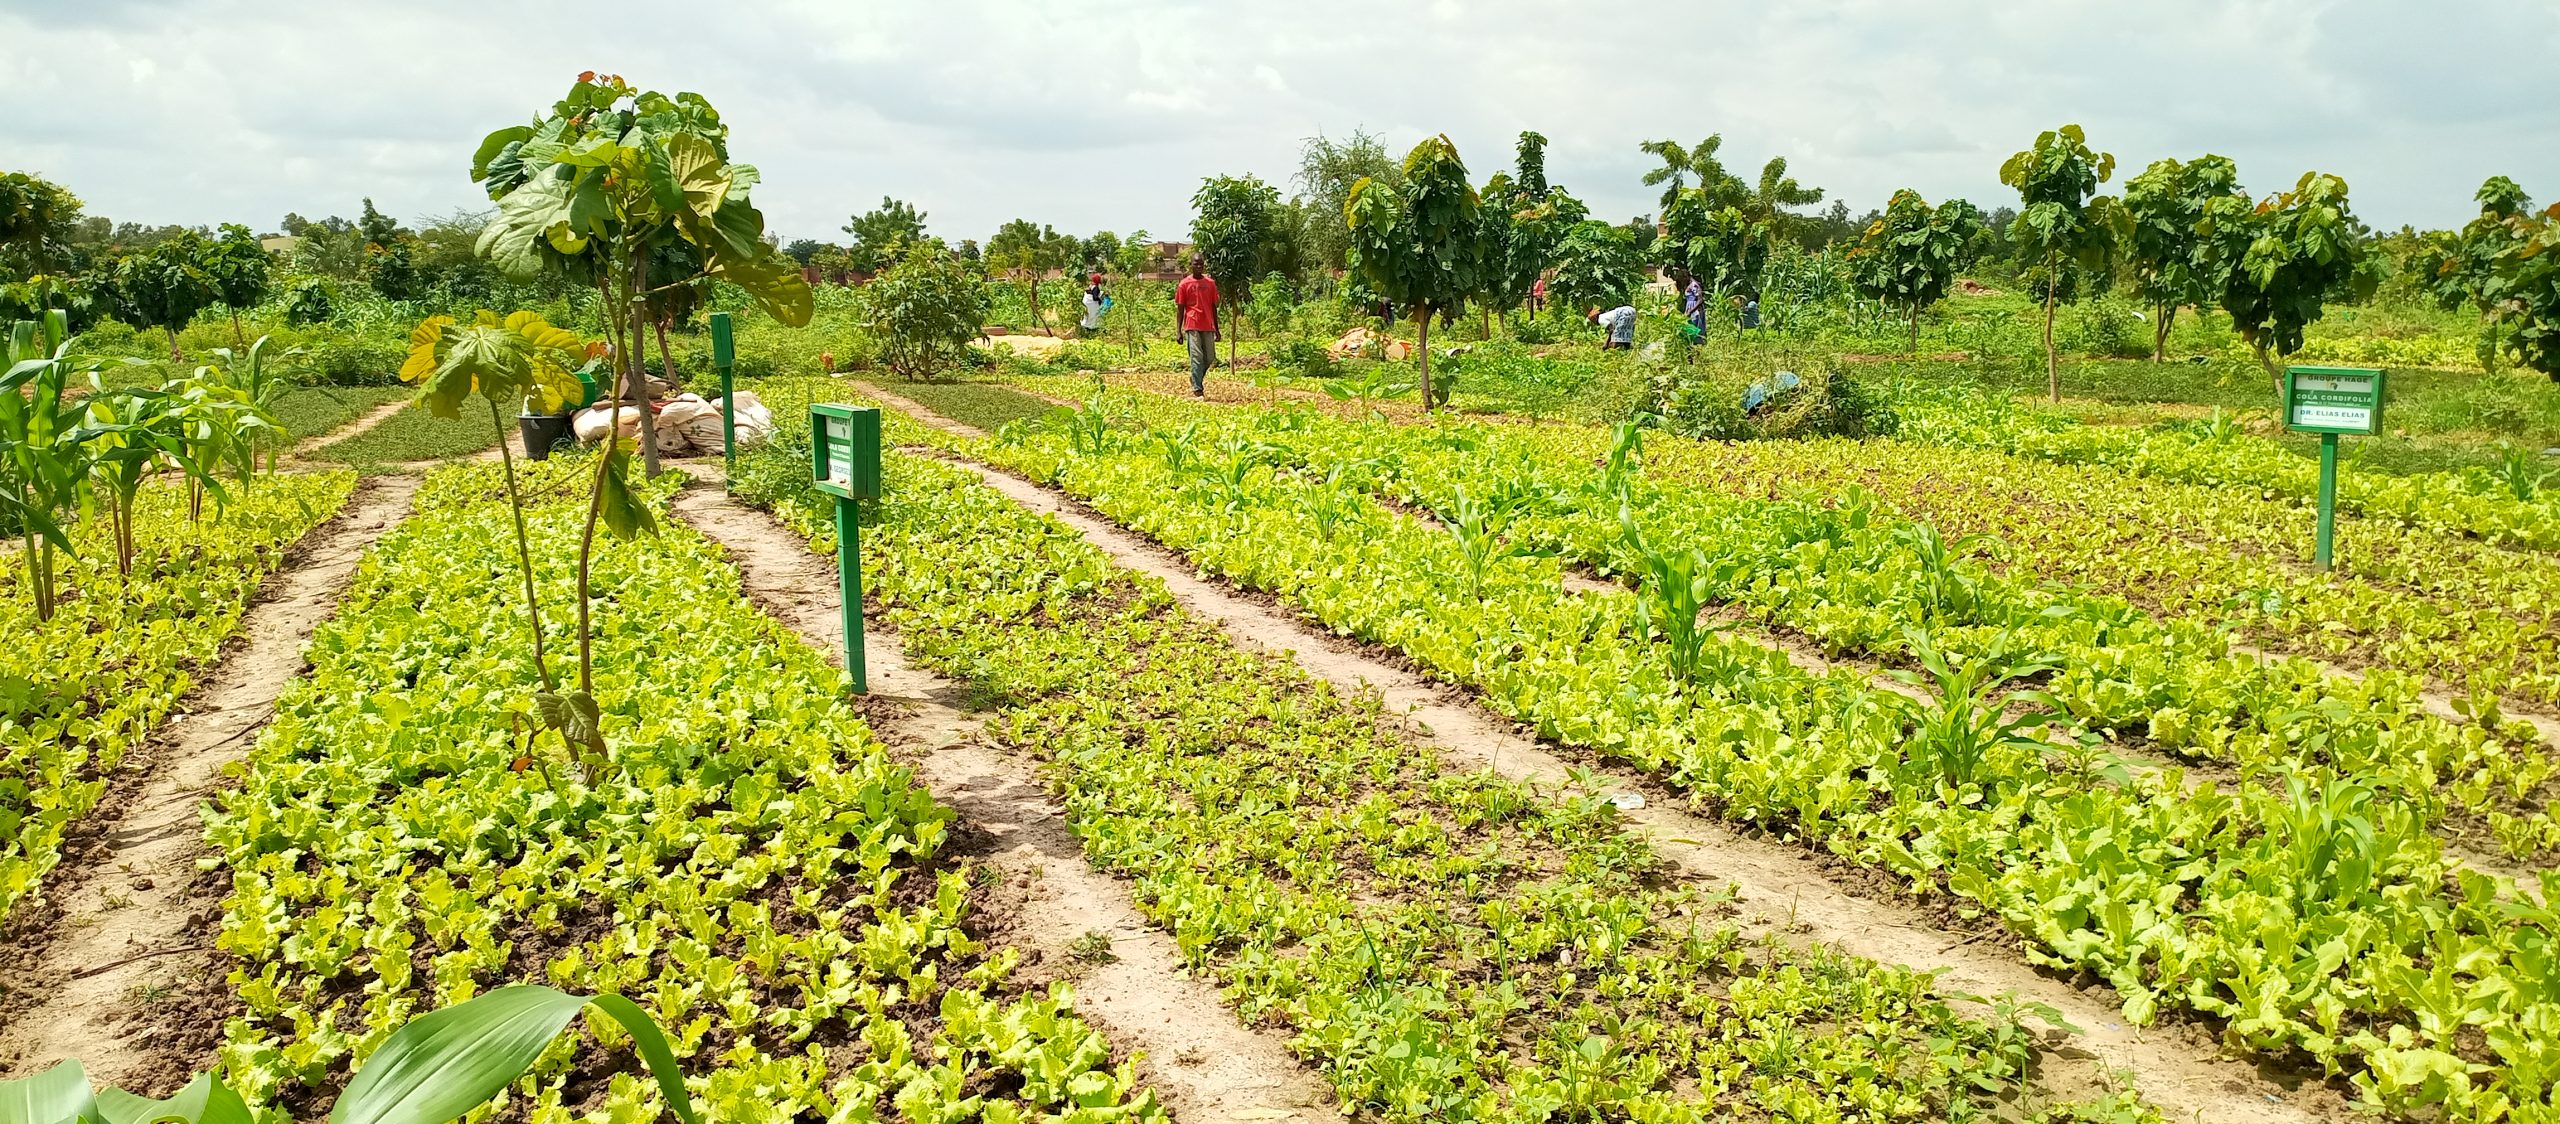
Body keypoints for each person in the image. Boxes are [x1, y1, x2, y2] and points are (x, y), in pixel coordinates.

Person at [1174, 254, 1219, 396]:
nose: (1198, 266)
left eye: (1201, 264)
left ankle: (1195, 377)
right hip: (1192, 324)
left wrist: (1217, 329)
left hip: (1207, 325)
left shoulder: (1210, 284)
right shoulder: (1184, 284)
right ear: (1191, 265)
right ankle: (1197, 388)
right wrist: (1178, 331)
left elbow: (1213, 307)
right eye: (1196, 264)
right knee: (1197, 356)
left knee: (1210, 357)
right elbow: (1180, 308)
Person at [1080, 271, 1107, 337]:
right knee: (1094, 315)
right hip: (1091, 305)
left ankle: (1086, 327)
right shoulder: (1096, 288)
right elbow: (1095, 298)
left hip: (1087, 303)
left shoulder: (1091, 286)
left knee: (1087, 316)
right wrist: (1100, 299)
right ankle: (1092, 328)